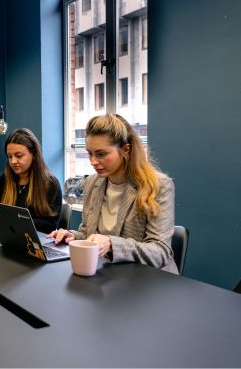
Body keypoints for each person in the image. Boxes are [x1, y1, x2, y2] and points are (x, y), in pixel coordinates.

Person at [49, 113, 177, 273]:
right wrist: (73, 236)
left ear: (125, 150)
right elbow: (88, 232)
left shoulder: (158, 185)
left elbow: (160, 252)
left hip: (148, 281)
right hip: (108, 274)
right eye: (90, 153)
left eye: (101, 154)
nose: (93, 161)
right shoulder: (92, 183)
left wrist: (111, 243)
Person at [0, 128, 62, 234]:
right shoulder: (5, 179)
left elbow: (50, 226)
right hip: (9, 237)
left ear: (33, 154)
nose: (13, 161)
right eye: (9, 156)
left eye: (19, 156)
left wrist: (16, 222)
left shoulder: (50, 184)